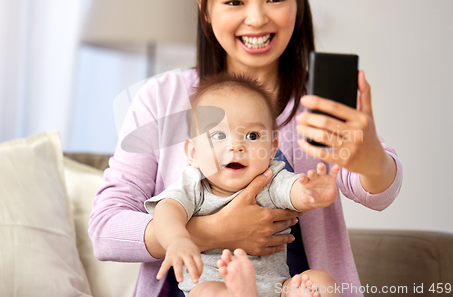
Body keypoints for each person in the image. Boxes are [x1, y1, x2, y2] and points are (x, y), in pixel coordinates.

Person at [88, 0, 403, 297]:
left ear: (299, 2)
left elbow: (378, 191)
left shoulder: (316, 102)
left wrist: (371, 160)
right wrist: (212, 232)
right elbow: (105, 229)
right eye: (235, 2)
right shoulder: (162, 99)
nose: (256, 19)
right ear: (204, 5)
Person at [145, 74, 340, 297]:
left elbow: (292, 190)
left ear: (271, 148)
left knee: (321, 283)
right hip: (216, 285)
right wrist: (177, 239)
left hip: (276, 288)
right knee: (208, 294)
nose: (236, 146)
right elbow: (167, 209)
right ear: (193, 152)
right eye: (218, 135)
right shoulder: (194, 184)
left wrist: (310, 193)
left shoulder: (270, 177)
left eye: (252, 135)